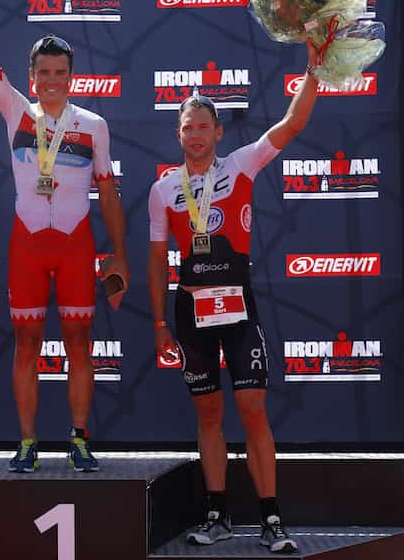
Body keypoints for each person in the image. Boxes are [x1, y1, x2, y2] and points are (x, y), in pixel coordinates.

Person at [147, 42, 320, 553]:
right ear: (177, 133)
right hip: (190, 313)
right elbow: (157, 262)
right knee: (207, 417)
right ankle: (217, 514)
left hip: (238, 308)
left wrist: (313, 68)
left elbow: (290, 125)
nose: (195, 135)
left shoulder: (241, 165)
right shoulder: (162, 190)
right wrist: (159, 324)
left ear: (218, 133)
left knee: (252, 410)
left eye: (203, 126)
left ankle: (271, 520)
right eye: (187, 127)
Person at [0, 0, 129, 473]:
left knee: (80, 342)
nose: (52, 81)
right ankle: (27, 441)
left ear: (71, 77)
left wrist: (118, 254)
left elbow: (109, 193)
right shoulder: (16, 110)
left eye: (60, 73)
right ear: (31, 76)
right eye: (43, 73)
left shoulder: (94, 126)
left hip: (76, 243)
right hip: (28, 242)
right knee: (26, 341)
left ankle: (78, 438)